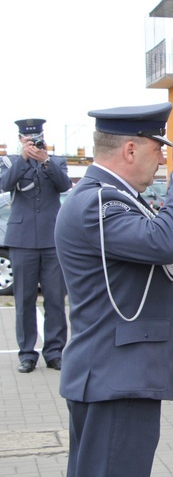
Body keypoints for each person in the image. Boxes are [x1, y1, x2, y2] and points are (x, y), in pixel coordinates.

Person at [55, 102, 173, 476]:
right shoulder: (98, 201)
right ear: (130, 149)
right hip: (115, 376)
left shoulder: (114, 197)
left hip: (118, 374)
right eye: (158, 149)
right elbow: (163, 242)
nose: (162, 160)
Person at [1, 118, 71, 374]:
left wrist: (44, 160)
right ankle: (27, 354)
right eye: (28, 140)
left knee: (54, 299)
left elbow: (64, 185)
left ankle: (54, 352)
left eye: (36, 139)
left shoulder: (55, 161)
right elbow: (5, 184)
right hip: (21, 241)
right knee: (24, 300)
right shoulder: (9, 161)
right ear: (20, 139)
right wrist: (23, 158)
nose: (33, 143)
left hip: (52, 240)